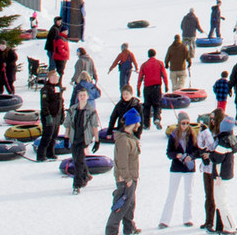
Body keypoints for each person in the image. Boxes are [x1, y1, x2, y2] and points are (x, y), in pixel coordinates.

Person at [106, 105, 143, 235]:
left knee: (129, 207)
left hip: (132, 177)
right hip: (126, 180)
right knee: (120, 207)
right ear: (132, 123)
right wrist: (127, 179)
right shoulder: (123, 141)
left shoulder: (131, 137)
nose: (139, 125)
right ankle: (111, 232)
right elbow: (121, 162)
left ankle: (129, 229)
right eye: (137, 122)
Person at [160, 112, 199, 229]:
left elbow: (197, 151)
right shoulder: (173, 135)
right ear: (179, 123)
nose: (185, 125)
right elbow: (168, 152)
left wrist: (191, 156)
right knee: (171, 194)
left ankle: (188, 218)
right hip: (176, 168)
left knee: (189, 194)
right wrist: (176, 155)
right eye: (183, 123)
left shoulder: (193, 134)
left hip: (189, 168)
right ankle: (164, 220)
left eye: (187, 123)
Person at [68, 72, 101, 193]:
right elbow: (98, 94)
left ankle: (77, 184)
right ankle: (86, 174)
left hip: (82, 130)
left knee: (79, 159)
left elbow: (72, 101)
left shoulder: (77, 88)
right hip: (82, 126)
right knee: (79, 158)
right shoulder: (91, 87)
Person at [211, 116, 237, 233]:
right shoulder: (229, 139)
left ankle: (231, 226)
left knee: (221, 201)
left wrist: (210, 155)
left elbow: (217, 158)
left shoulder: (224, 141)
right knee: (220, 201)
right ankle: (224, 225)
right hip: (224, 174)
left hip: (221, 175)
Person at [36, 68, 65, 161]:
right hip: (48, 115)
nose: (56, 78)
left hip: (57, 114)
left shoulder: (58, 87)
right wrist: (47, 115)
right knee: (47, 135)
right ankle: (41, 155)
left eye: (57, 77)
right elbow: (44, 104)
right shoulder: (45, 89)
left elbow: (61, 101)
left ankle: (50, 153)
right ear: (49, 78)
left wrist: (62, 114)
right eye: (54, 77)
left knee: (54, 136)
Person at [197, 116, 220, 231]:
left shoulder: (219, 133)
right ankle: (208, 220)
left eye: (213, 119)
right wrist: (202, 133)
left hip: (215, 170)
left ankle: (215, 222)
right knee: (208, 196)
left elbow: (213, 148)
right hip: (206, 168)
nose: (212, 121)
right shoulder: (208, 132)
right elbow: (200, 145)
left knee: (214, 196)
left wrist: (206, 132)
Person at [138, 47, 167, 128]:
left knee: (147, 106)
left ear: (148, 55)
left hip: (147, 88)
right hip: (157, 87)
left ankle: (146, 124)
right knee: (157, 105)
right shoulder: (160, 63)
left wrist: (138, 89)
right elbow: (164, 75)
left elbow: (140, 78)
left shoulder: (144, 65)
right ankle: (157, 118)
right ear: (155, 54)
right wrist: (166, 86)